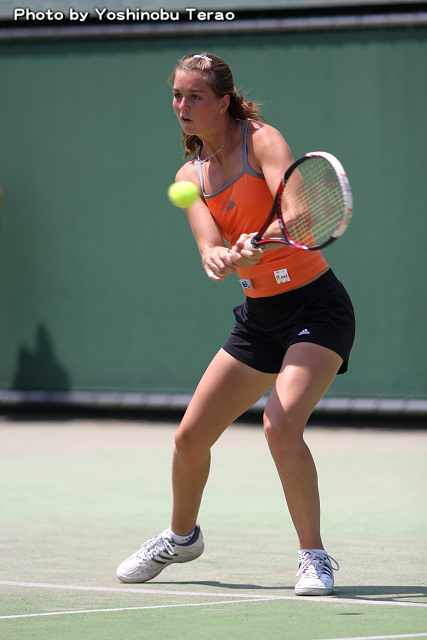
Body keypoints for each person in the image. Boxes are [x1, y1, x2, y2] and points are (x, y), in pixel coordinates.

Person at [117, 52, 355, 596]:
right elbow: (209, 248)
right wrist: (221, 258)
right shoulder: (190, 175)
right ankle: (182, 538)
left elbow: (299, 215)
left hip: (315, 308)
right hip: (259, 318)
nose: (182, 105)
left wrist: (258, 243)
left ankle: (314, 557)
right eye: (177, 95)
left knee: (280, 424)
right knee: (189, 436)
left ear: (223, 102)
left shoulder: (262, 140)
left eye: (195, 96)